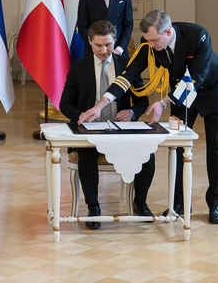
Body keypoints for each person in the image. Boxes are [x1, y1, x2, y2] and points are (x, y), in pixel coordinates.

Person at [80, 10, 218, 225]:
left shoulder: (198, 35)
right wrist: (101, 104)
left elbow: (196, 78)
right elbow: (128, 75)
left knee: (217, 147)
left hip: (212, 91)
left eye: (154, 40)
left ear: (168, 32)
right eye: (148, 40)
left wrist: (163, 102)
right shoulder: (149, 43)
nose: (150, 44)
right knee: (178, 147)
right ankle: (178, 203)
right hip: (179, 96)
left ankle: (216, 204)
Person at [60, 20, 153, 229]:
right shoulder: (78, 68)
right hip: (90, 131)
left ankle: (140, 203)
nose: (104, 50)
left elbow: (142, 100)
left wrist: (132, 112)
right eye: (98, 45)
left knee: (149, 155)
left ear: (115, 41)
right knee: (86, 155)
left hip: (122, 131)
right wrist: (82, 115)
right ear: (90, 42)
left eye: (109, 45)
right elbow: (64, 104)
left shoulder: (127, 66)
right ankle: (93, 207)